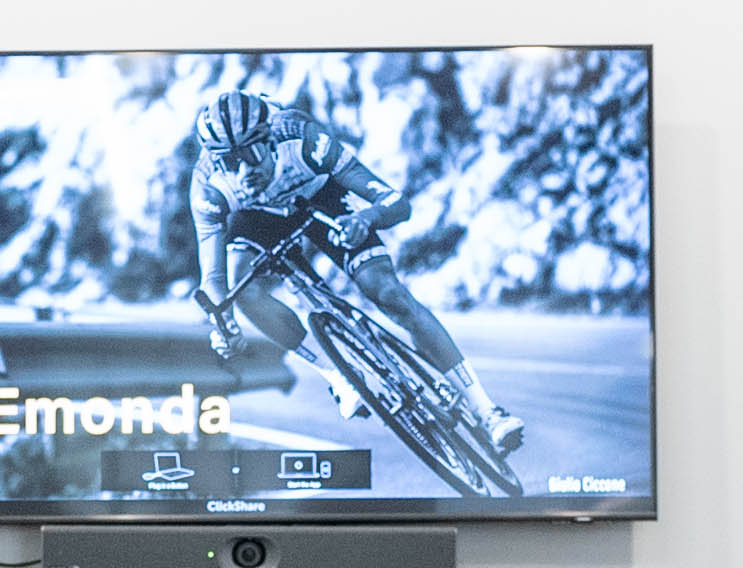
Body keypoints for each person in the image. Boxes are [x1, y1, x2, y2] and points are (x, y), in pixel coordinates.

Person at [189, 90, 523, 459]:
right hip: (257, 222)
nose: (241, 171)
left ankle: (487, 411)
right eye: (228, 162)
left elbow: (397, 204)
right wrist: (222, 325)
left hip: (321, 199)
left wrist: (366, 218)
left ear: (269, 140)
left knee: (387, 292)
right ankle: (337, 376)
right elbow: (214, 281)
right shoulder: (209, 186)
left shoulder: (302, 138)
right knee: (243, 288)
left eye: (250, 155)